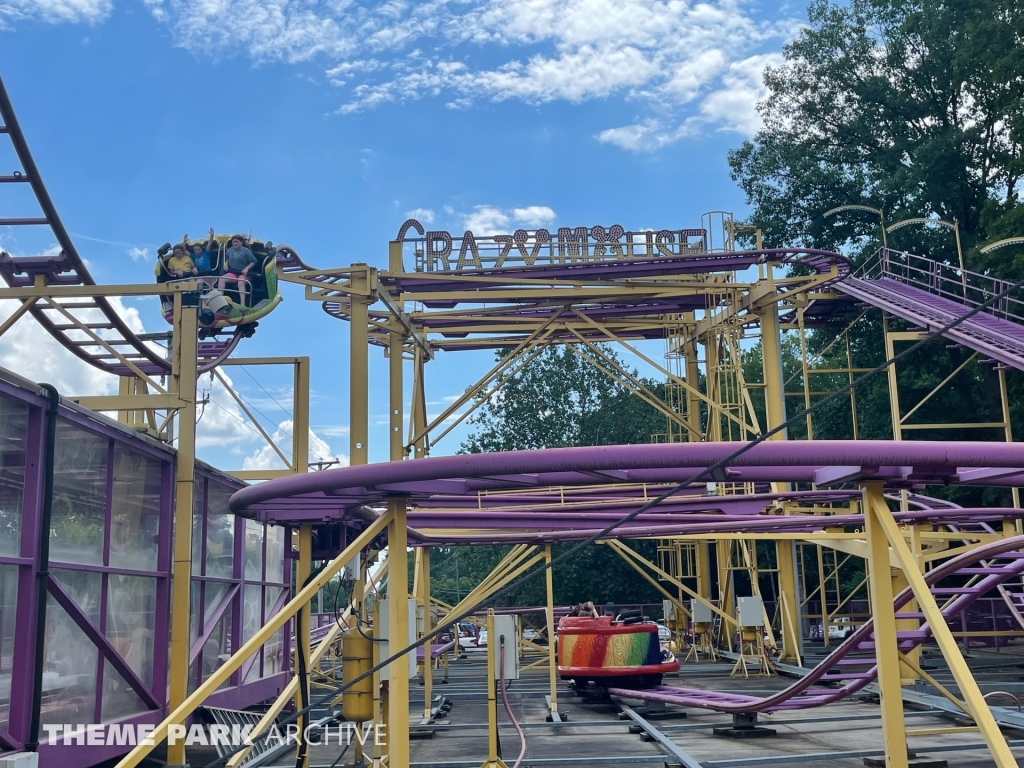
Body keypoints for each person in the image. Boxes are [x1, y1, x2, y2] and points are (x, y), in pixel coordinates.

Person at [218, 235, 258, 307]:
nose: (235, 243)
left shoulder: (246, 251)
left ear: (241, 242)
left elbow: (253, 262)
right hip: (233, 273)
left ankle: (242, 304)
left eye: (236, 242)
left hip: (243, 274)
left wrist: (247, 268)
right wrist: (226, 264)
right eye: (233, 242)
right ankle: (220, 301)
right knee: (221, 279)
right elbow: (227, 258)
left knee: (241, 280)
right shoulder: (230, 250)